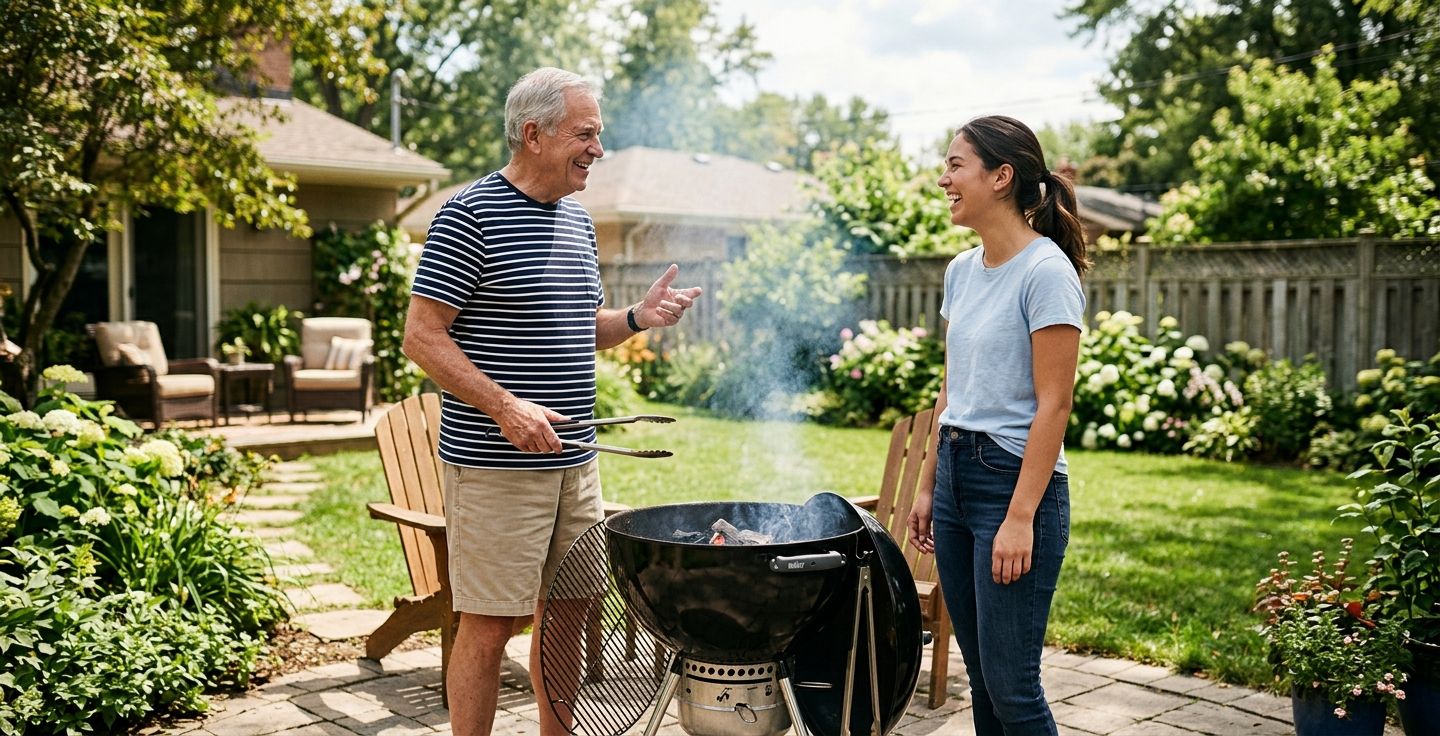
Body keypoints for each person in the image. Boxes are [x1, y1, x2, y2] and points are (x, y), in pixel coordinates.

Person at [402, 66, 702, 736]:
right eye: (587, 133)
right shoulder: (469, 215)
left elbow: (578, 325)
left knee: (571, 611)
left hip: (576, 462)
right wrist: (506, 407)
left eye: (600, 134)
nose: (599, 148)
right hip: (494, 466)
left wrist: (636, 319)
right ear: (533, 134)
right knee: (489, 625)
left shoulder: (576, 220)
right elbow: (422, 337)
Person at [907, 115, 1088, 736]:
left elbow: (1054, 405)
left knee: (1012, 689)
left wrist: (1018, 518)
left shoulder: (1046, 272)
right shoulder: (961, 272)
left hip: (1014, 485)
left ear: (1001, 176)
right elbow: (952, 389)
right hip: (958, 475)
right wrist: (931, 484)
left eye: (956, 166)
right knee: (982, 680)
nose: (943, 179)